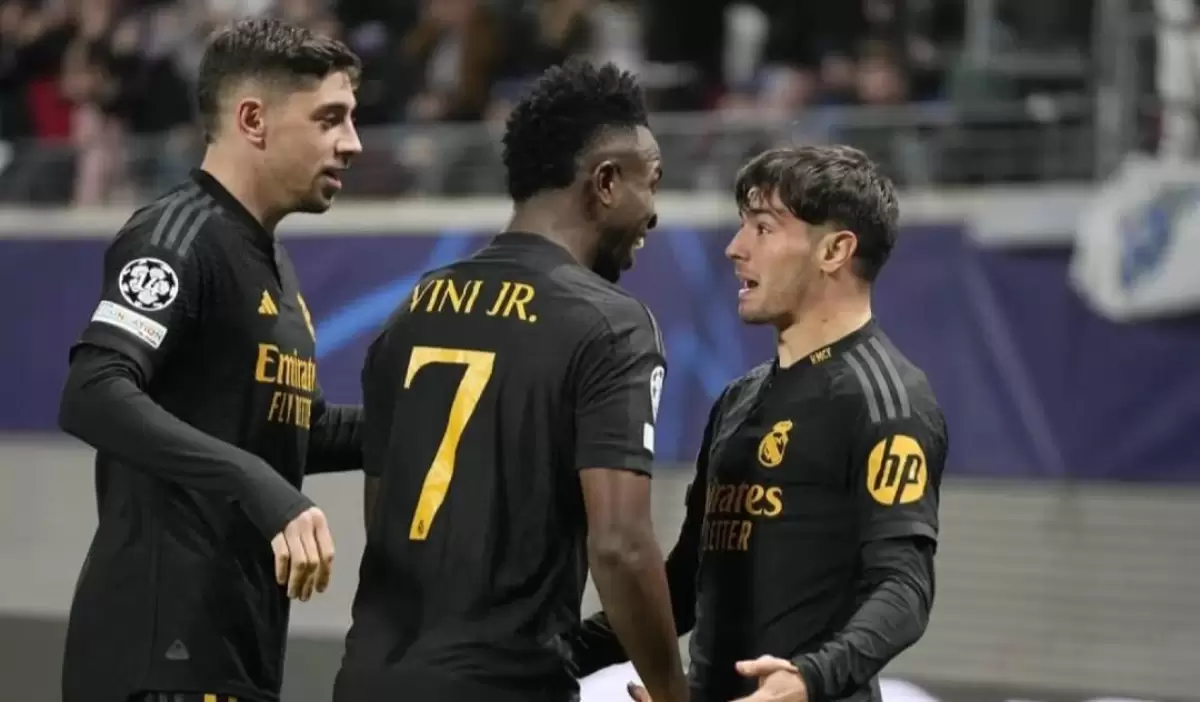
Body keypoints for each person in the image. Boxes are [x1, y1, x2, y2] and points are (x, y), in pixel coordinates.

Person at [333, 59, 689, 702]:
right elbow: (620, 544)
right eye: (652, 183)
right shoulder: (611, 325)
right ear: (607, 182)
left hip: (368, 679)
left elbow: (382, 518)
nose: (654, 213)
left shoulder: (413, 309)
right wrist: (671, 690)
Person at [566, 145, 948, 702]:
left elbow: (904, 588)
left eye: (763, 228)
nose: (735, 247)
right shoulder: (736, 400)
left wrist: (809, 677)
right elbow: (685, 585)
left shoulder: (888, 400)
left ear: (835, 250)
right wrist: (556, 655)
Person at [56, 18, 365, 702]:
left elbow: (295, 430)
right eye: (329, 119)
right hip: (158, 661)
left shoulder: (270, 258)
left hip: (235, 656)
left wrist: (441, 419)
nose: (352, 142)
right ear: (253, 120)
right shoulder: (175, 237)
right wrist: (258, 484)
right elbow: (93, 390)